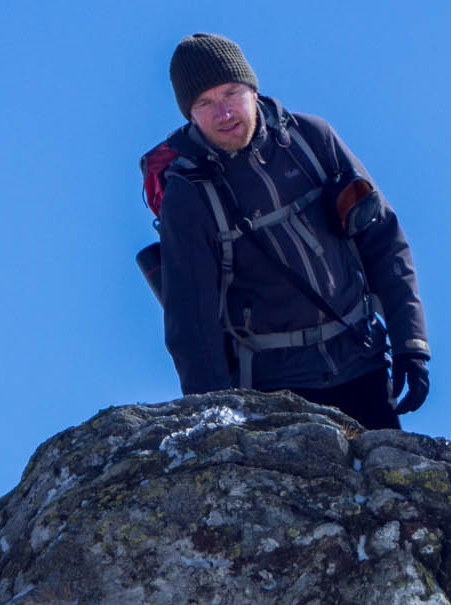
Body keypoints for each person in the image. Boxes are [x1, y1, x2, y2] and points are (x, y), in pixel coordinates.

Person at [146, 33, 430, 430]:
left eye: (231, 93)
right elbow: (191, 323)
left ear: (253, 90)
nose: (224, 113)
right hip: (276, 393)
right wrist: (214, 421)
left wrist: (410, 344)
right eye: (205, 103)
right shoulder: (189, 194)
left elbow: (382, 239)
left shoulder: (312, 141)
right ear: (189, 115)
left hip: (361, 362)